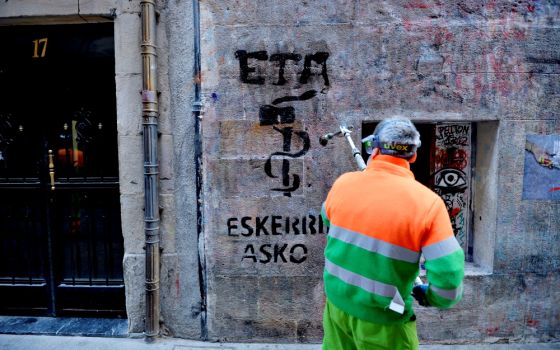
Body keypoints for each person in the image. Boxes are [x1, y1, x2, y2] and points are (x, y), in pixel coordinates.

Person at [320, 116, 465, 350]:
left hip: (337, 308)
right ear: (414, 155)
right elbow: (448, 282)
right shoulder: (428, 204)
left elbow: (327, 217)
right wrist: (429, 296)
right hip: (385, 320)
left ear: (374, 149)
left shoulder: (343, 184)